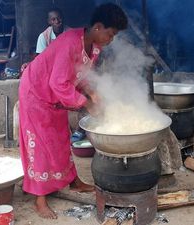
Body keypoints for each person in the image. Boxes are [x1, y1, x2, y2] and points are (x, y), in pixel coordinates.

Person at [18, 3, 128, 219]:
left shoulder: (94, 47)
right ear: (98, 27)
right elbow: (58, 83)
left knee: (59, 138)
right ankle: (39, 199)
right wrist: (87, 103)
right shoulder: (69, 43)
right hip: (35, 92)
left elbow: (82, 75)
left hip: (54, 98)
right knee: (39, 144)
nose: (111, 40)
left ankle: (73, 182)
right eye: (111, 34)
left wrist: (93, 93)